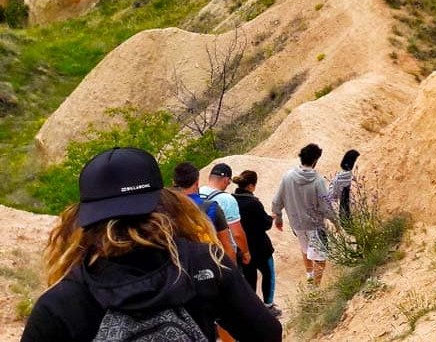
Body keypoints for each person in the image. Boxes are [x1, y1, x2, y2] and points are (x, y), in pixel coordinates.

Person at [21, 147, 281, 342]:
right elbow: (267, 333)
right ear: (167, 202)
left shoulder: (62, 303)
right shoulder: (205, 265)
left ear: (83, 218)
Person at [272, 143, 337, 286]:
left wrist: (278, 218)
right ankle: (315, 287)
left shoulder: (287, 177)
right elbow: (325, 206)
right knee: (320, 257)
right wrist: (335, 221)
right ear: (315, 160)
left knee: (305, 248)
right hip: (315, 225)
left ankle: (309, 275)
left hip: (297, 225)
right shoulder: (318, 181)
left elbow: (277, 201)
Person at [231, 170, 280, 318]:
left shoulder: (232, 200)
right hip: (260, 247)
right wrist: (270, 218)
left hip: (242, 248)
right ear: (251, 186)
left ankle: (253, 311)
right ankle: (268, 305)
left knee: (249, 280)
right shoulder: (253, 203)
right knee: (268, 274)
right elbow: (265, 224)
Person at [173, 162, 237, 263]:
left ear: (174, 182)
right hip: (207, 265)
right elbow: (227, 247)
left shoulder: (166, 207)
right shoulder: (211, 208)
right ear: (197, 182)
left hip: (179, 267)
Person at [200, 163, 252, 269]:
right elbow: (237, 233)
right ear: (226, 180)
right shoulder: (227, 199)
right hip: (223, 254)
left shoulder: (198, 193)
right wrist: (246, 252)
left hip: (202, 251)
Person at [328, 150, 360, 223]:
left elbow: (333, 194)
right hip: (348, 207)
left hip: (343, 208)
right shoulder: (348, 176)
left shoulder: (339, 177)